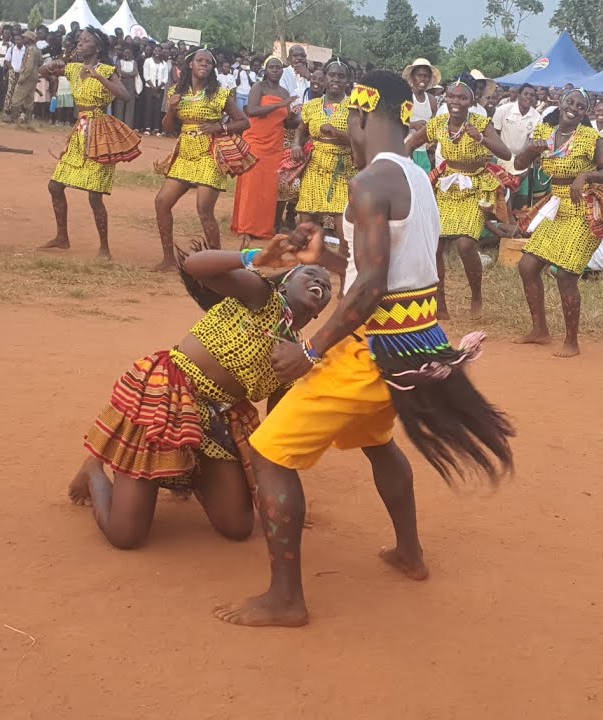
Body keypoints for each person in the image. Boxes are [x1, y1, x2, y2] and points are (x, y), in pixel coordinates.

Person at [213, 70, 514, 628]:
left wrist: (308, 350)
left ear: (359, 118)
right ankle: (409, 553)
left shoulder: (369, 183)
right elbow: (381, 268)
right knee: (378, 443)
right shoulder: (417, 177)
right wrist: (320, 250)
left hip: (368, 349)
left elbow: (373, 286)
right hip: (415, 344)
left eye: (348, 124)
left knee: (270, 453)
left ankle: (285, 600)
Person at [67, 220, 334, 549]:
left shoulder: (298, 352)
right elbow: (195, 266)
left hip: (219, 421)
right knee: (126, 535)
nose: (320, 281)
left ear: (322, 311)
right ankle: (95, 470)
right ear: (284, 284)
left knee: (237, 526)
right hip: (170, 397)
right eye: (310, 274)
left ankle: (185, 472)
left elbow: (280, 425)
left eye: (326, 284)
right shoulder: (261, 297)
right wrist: (254, 258)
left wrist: (286, 495)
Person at [514, 89, 603, 358]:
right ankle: (540, 330)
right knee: (527, 266)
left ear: (585, 113)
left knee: (566, 275)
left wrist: (585, 175)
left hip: (583, 209)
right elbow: (519, 162)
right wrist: (529, 150)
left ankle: (571, 341)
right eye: (570, 102)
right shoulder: (545, 135)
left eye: (580, 106)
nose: (574, 108)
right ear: (560, 104)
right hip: (556, 206)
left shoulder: (592, 138)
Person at [406, 77, 511, 319]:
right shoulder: (439, 123)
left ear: (471, 101)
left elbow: (505, 152)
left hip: (475, 186)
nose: (456, 102)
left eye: (462, 98)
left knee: (465, 244)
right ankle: (439, 302)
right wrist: (406, 168)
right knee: (436, 246)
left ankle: (476, 295)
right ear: (446, 98)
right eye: (452, 96)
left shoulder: (481, 123)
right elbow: (411, 143)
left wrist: (481, 139)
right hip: (447, 186)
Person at [39, 28, 140, 260]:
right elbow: (41, 71)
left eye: (86, 41)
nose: (80, 43)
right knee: (55, 186)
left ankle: (104, 248)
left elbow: (125, 95)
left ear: (98, 48)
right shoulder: (73, 68)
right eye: (79, 40)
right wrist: (54, 63)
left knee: (94, 196)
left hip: (100, 133)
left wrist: (99, 77)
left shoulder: (107, 69)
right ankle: (62, 237)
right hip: (79, 132)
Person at [152, 49, 250, 268]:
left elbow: (244, 122)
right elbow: (168, 127)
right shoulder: (178, 91)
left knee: (204, 208)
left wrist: (220, 126)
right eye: (199, 61)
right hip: (185, 153)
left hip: (210, 152)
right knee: (161, 202)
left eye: (208, 62)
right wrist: (172, 108)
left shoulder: (219, 93)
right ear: (190, 65)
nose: (203, 65)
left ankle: (217, 264)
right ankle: (168, 259)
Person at [231, 56, 295, 247]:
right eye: (271, 67)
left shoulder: (285, 92)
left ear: (282, 71)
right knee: (251, 185)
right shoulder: (259, 87)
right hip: (256, 141)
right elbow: (251, 110)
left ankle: (262, 228)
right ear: (266, 70)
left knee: (268, 188)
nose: (275, 70)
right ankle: (246, 227)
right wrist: (278, 105)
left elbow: (287, 121)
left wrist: (298, 115)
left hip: (275, 145)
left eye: (278, 67)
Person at [293, 60, 354, 242]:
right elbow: (300, 130)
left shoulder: (355, 108)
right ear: (325, 78)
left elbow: (362, 139)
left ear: (348, 81)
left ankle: (344, 269)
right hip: (315, 167)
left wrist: (338, 134)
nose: (336, 79)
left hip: (342, 169)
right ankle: (307, 267)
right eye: (332, 75)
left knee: (344, 230)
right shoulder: (312, 105)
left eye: (341, 76)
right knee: (306, 225)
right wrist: (296, 145)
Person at [492, 83, 542, 210]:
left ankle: (516, 227)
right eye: (526, 94)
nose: (529, 97)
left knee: (521, 200)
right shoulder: (503, 110)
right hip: (500, 160)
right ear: (519, 95)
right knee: (499, 197)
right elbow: (495, 137)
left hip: (522, 162)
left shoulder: (537, 117)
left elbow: (531, 145)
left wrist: (521, 169)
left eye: (532, 95)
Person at [402, 58, 441, 173]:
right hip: (406, 148)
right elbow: (397, 123)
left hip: (424, 150)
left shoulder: (432, 100)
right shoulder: (407, 97)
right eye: (420, 75)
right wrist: (414, 125)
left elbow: (435, 125)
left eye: (426, 76)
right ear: (412, 77)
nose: (423, 79)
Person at [4, 31, 43, 123]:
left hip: (27, 76)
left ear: (29, 39)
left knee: (17, 96)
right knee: (29, 98)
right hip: (34, 75)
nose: (23, 39)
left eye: (25, 37)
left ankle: (13, 118)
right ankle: (28, 119)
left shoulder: (30, 50)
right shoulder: (37, 49)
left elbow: (28, 67)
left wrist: (23, 77)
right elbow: (41, 62)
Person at [140, 44, 170, 134]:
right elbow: (146, 75)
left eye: (159, 51)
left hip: (160, 88)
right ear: (153, 51)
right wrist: (153, 87)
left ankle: (156, 128)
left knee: (157, 108)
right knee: (148, 107)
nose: (157, 52)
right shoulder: (148, 61)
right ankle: (148, 128)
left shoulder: (164, 64)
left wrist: (158, 87)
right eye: (156, 50)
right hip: (149, 87)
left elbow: (165, 78)